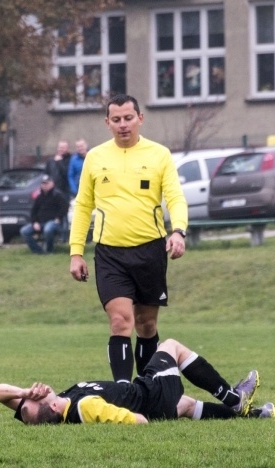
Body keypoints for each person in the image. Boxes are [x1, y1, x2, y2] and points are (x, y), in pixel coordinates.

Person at [69, 94, 189, 383]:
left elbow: (175, 197)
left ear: (140, 118)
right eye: (116, 120)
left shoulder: (159, 154)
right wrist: (75, 252)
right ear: (107, 123)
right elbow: (83, 205)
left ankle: (148, 389)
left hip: (150, 251)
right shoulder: (95, 158)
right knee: (121, 321)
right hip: (110, 254)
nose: (123, 125)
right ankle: (123, 392)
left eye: (128, 118)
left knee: (146, 325)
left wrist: (178, 231)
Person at [0, 338, 275, 425]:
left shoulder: (53, 407)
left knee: (189, 405)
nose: (38, 389)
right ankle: (234, 399)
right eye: (38, 395)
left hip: (154, 400)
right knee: (172, 347)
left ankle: (255, 415)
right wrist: (141, 413)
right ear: (52, 407)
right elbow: (138, 422)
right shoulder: (85, 406)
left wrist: (25, 392)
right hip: (150, 393)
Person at [20, 175, 69, 254]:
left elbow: (64, 208)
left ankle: (49, 250)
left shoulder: (57, 195)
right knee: (24, 231)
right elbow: (33, 211)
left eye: (47, 183)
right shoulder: (39, 197)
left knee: (48, 229)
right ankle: (38, 251)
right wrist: (35, 222)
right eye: (43, 183)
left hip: (53, 222)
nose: (44, 185)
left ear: (52, 183)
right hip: (40, 223)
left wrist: (58, 218)